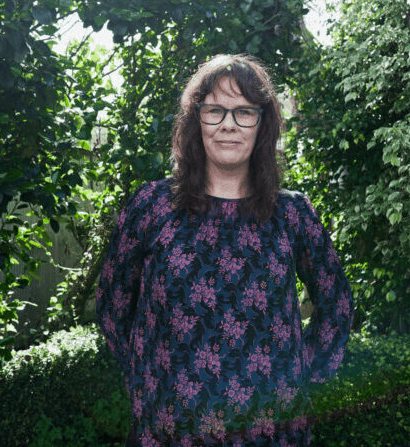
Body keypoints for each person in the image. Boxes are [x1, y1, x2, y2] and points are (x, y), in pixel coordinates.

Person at [96, 54, 353, 446]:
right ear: (196, 120)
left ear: (262, 122)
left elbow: (336, 304)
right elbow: (113, 305)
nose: (229, 124)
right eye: (215, 110)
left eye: (244, 111)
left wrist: (300, 373)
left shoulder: (293, 214)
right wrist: (149, 376)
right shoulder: (152, 206)